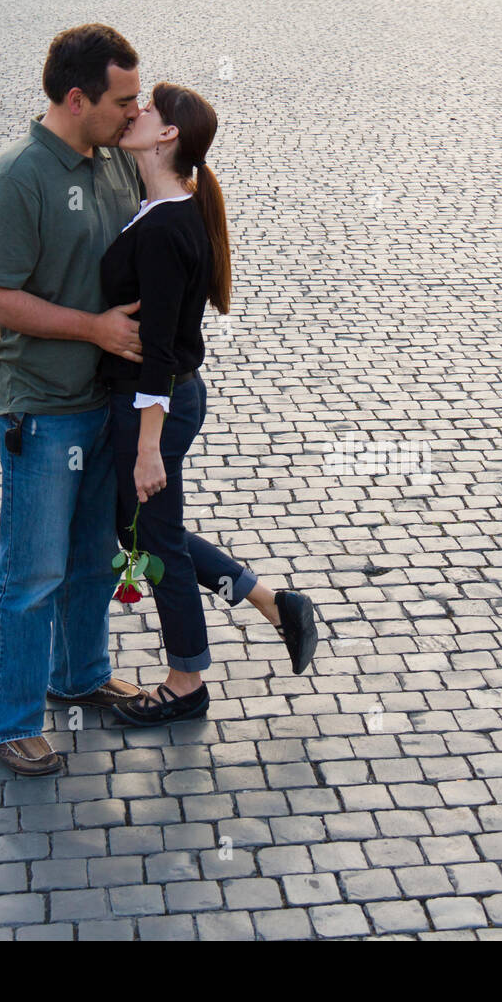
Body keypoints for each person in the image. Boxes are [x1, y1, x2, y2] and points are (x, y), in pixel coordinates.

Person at [0, 24, 155, 776]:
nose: (131, 113)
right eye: (123, 101)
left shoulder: (113, 159)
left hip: (103, 400)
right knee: (32, 571)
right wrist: (96, 331)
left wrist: (156, 140)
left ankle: (79, 676)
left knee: (92, 560)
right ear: (76, 99)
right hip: (42, 408)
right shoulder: (16, 179)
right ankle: (9, 722)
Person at [100, 82, 319, 726]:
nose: (133, 112)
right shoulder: (169, 204)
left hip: (157, 403)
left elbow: (160, 349)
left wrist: (147, 446)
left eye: (147, 109)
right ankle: (273, 605)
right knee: (146, 531)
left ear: (168, 135)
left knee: (153, 538)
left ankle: (186, 681)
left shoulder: (168, 227)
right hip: (164, 400)